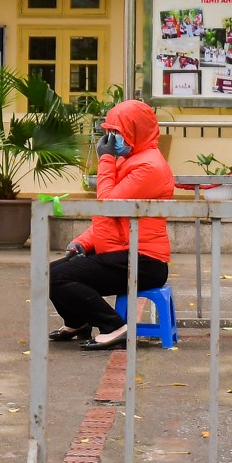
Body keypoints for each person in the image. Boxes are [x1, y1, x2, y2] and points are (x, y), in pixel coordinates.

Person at [48, 99, 176, 351]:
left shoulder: (149, 166)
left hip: (144, 260)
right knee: (51, 272)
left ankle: (115, 327)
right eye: (109, 132)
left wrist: (105, 160)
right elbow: (111, 220)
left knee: (57, 277)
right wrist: (84, 242)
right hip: (122, 251)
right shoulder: (130, 159)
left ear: (135, 132)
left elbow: (108, 204)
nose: (110, 139)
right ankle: (78, 322)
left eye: (116, 133)